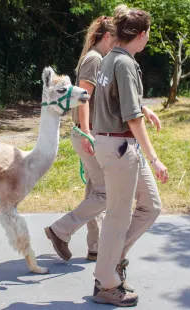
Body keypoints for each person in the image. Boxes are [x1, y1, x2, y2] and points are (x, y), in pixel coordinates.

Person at [44, 14, 161, 271]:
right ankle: (62, 231)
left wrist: (142, 107)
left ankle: (94, 246)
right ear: (108, 36)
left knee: (97, 191)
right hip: (93, 134)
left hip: (97, 134)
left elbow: (114, 97)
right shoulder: (96, 60)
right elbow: (85, 98)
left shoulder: (106, 59)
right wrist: (87, 132)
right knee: (104, 193)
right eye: (115, 37)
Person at [89, 5, 169, 307]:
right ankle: (106, 282)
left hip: (114, 145)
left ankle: (113, 260)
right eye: (148, 33)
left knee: (150, 205)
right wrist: (155, 158)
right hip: (121, 148)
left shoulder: (112, 58)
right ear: (141, 34)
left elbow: (118, 102)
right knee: (117, 217)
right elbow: (131, 119)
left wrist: (142, 107)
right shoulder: (123, 64)